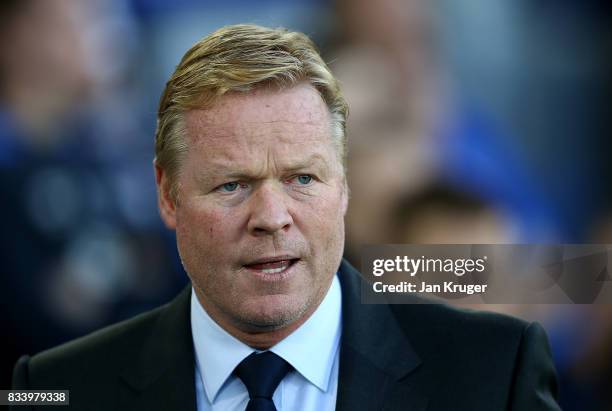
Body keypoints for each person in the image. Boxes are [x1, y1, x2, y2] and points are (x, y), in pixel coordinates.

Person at [12, 24, 560, 411]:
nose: (272, 216)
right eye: (233, 184)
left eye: (302, 176)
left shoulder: (421, 268)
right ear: (169, 195)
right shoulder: (50, 388)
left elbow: (573, 281)